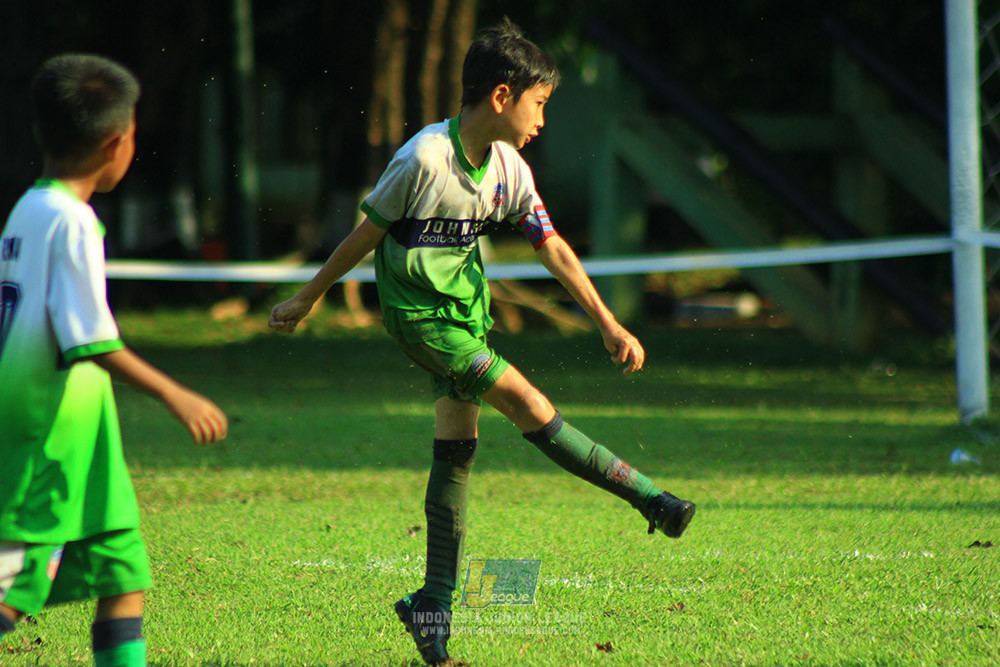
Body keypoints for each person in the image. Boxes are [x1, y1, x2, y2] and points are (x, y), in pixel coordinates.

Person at [269, 18, 695, 666]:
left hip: (466, 316)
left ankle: (430, 610)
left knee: (456, 453)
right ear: (501, 97)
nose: (542, 120)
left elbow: (552, 247)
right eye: (539, 104)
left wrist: (608, 323)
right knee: (528, 401)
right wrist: (310, 295)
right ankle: (651, 499)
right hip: (419, 318)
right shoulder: (422, 159)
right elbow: (364, 235)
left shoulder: (509, 168)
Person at [0, 54, 229, 667]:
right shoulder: (72, 221)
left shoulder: (28, 208)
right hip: (48, 440)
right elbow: (92, 340)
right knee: (14, 593)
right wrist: (175, 394)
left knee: (122, 578)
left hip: (87, 447)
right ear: (115, 143)